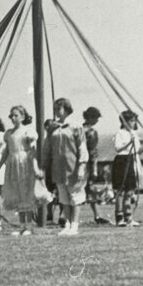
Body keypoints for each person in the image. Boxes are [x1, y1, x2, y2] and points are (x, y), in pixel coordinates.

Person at [0, 105, 49, 235]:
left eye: (16, 115)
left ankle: (28, 226)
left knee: (26, 193)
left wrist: (35, 168)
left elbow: (32, 152)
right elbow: (6, 152)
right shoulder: (8, 133)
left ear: (23, 117)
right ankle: (22, 225)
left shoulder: (27, 132)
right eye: (11, 116)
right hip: (13, 166)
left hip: (25, 164)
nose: (13, 118)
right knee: (17, 193)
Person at [40, 97, 88, 236]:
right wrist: (44, 165)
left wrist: (82, 166)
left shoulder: (75, 126)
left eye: (59, 109)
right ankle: (67, 223)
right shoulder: (52, 128)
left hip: (72, 166)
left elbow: (81, 147)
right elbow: (47, 148)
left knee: (75, 196)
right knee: (63, 196)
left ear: (66, 109)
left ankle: (75, 224)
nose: (56, 112)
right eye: (55, 109)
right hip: (58, 167)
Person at [112, 110, 143, 227]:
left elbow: (137, 151)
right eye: (131, 121)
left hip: (131, 160)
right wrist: (129, 143)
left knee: (130, 190)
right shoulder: (120, 133)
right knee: (120, 190)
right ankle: (119, 218)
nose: (133, 123)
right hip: (121, 161)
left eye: (134, 121)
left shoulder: (133, 133)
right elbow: (117, 148)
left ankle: (128, 217)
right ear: (125, 121)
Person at [82, 107, 111, 224]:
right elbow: (93, 151)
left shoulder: (78, 129)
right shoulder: (91, 132)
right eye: (95, 118)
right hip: (87, 164)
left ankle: (63, 215)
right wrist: (94, 168)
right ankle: (97, 215)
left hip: (75, 163)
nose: (97, 120)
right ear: (89, 117)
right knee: (90, 189)